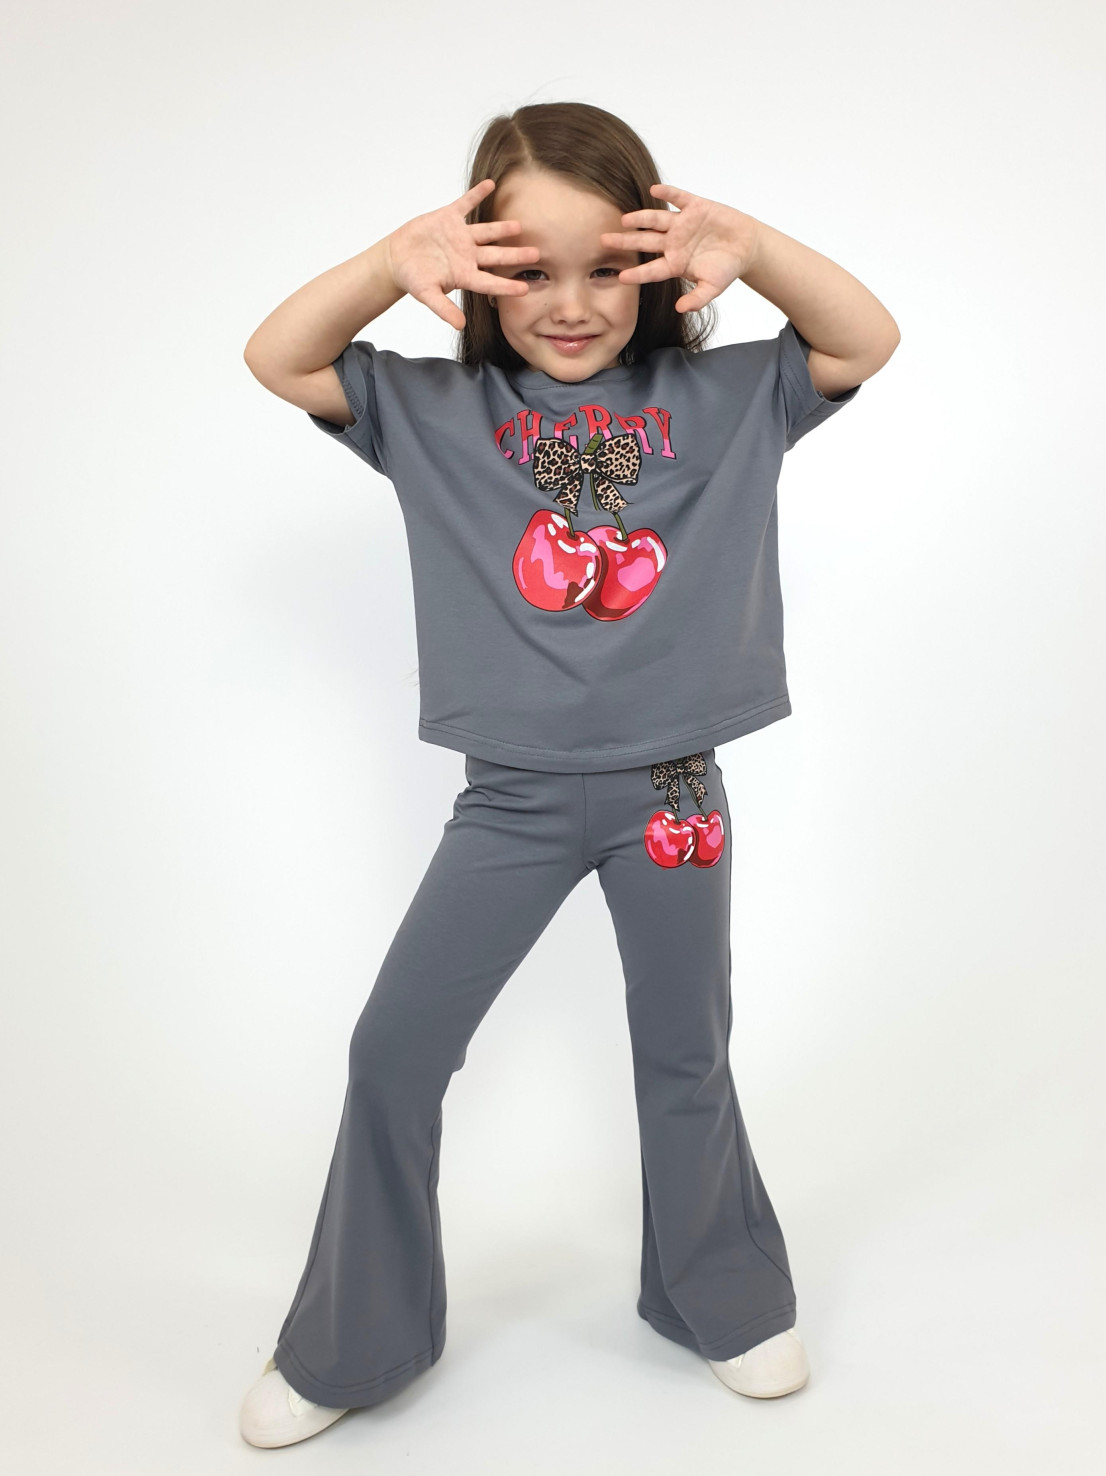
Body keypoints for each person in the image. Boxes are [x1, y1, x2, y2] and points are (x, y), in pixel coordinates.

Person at [238, 100, 899, 1448]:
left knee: (684, 1055)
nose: (574, 303)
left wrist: (755, 244)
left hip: (674, 792)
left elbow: (862, 340)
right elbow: (278, 356)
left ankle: (720, 1296)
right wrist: (387, 263)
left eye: (608, 265)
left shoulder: (720, 401)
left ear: (657, 263)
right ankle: (355, 1337)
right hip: (513, 801)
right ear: (477, 268)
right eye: (531, 269)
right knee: (393, 1052)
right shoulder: (431, 410)